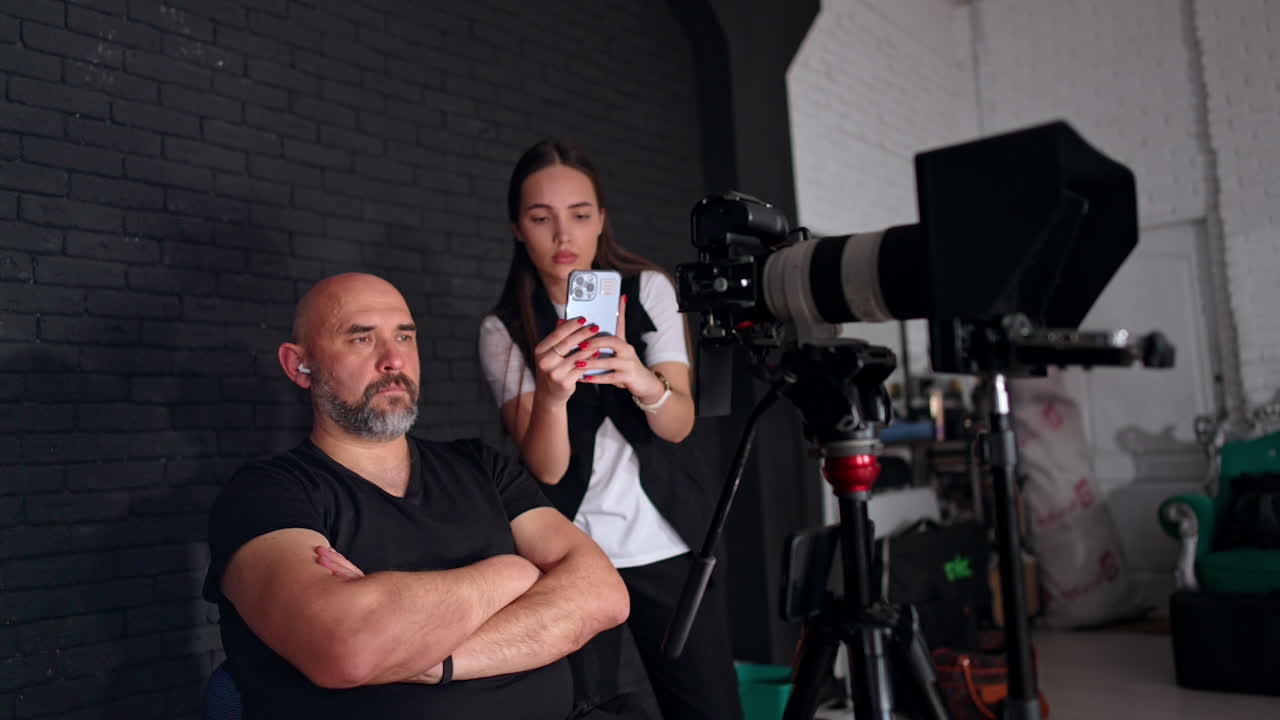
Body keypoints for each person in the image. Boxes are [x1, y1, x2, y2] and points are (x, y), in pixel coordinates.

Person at [203, 272, 629, 719]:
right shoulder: (266, 494)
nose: (393, 360)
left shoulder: (481, 466)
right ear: (298, 366)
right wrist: (512, 575)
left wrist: (434, 660)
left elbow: (603, 596)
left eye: (404, 336)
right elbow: (348, 646)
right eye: (361, 339)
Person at [479, 139, 744, 720]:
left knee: (708, 706)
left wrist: (642, 381)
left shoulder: (649, 291)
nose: (562, 236)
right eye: (540, 218)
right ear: (518, 229)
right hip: (567, 551)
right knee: (581, 710)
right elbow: (545, 468)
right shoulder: (504, 329)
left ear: (601, 219)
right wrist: (552, 393)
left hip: (668, 537)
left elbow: (679, 425)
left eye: (579, 214)